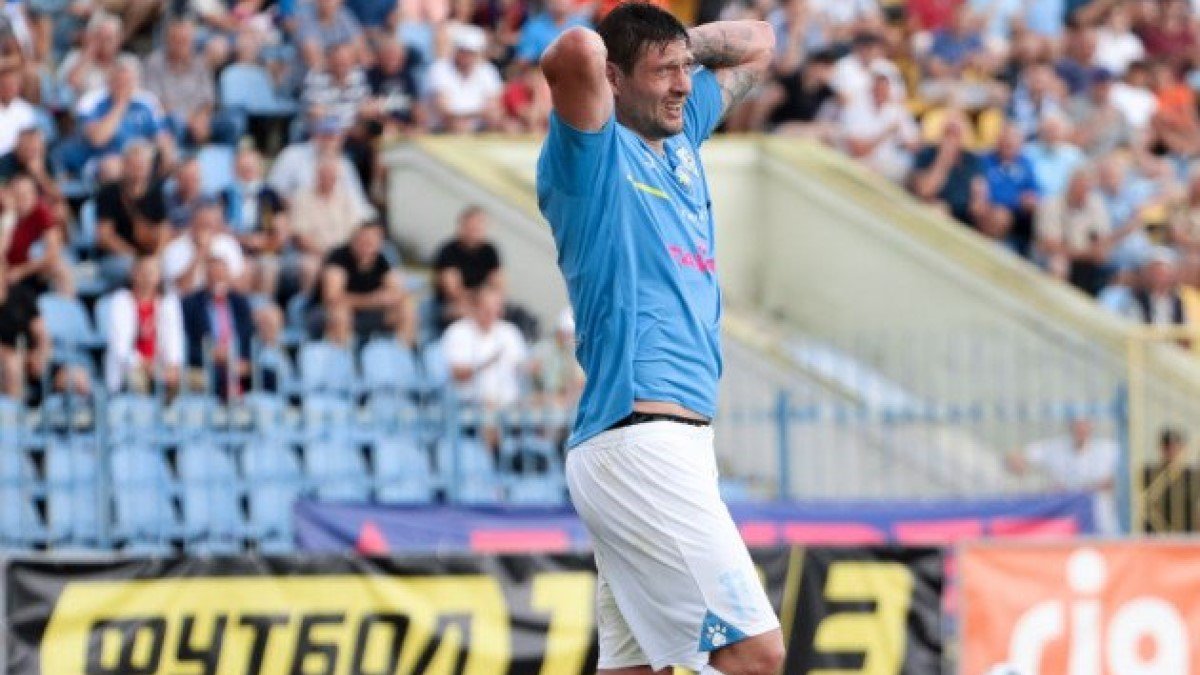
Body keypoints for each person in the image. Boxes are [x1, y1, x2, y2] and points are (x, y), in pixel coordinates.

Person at [536, 5, 785, 674]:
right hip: (642, 441)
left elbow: (761, 43)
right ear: (616, 80)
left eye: (686, 70)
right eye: (663, 72)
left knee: (636, 668)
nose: (682, 84)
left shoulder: (680, 134)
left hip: (659, 445)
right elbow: (576, 51)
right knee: (756, 654)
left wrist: (674, 49)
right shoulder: (591, 154)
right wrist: (636, 51)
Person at [1007, 416, 1120, 535]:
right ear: (1070, 426)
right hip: (1065, 520)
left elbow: (1117, 480)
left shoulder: (1108, 449)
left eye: (1085, 424)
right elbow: (1015, 458)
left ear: (1091, 425)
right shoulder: (1054, 448)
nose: (1081, 429)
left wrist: (1090, 488)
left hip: (1101, 519)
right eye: (1077, 424)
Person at [104, 255, 184, 393]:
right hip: (130, 370)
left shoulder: (168, 303)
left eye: (152, 272)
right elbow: (120, 350)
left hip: (161, 368)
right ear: (133, 273)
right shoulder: (121, 301)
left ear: (159, 276)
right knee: (140, 382)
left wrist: (172, 366)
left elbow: (174, 340)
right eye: (143, 272)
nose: (147, 277)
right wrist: (148, 366)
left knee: (196, 381)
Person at [312, 221, 405, 337]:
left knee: (406, 307)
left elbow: (396, 292)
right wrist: (371, 300)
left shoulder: (382, 260)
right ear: (354, 239)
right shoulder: (337, 258)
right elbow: (332, 298)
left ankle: (402, 346)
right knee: (340, 312)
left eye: (372, 241)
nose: (367, 244)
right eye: (364, 239)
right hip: (324, 312)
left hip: (367, 311)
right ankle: (341, 347)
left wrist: (388, 297)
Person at [181, 253, 253, 399]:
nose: (217, 280)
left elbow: (249, 337)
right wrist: (211, 354)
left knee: (268, 374)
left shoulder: (240, 303)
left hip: (237, 361)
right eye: (213, 275)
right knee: (214, 377)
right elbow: (187, 343)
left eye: (221, 275)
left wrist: (244, 361)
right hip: (208, 363)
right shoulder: (191, 304)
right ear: (205, 277)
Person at [442, 284, 527, 408]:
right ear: (475, 308)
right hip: (469, 406)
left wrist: (530, 367)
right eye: (487, 309)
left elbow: (522, 365)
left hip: (510, 405)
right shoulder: (457, 331)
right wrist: (485, 364)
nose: (492, 313)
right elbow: (457, 373)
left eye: (496, 308)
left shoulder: (509, 331)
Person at [1143, 427, 1195, 533]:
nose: (1171, 451)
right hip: (1157, 534)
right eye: (1167, 447)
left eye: (1175, 446)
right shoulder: (1150, 473)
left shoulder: (1191, 475)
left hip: (1186, 534)